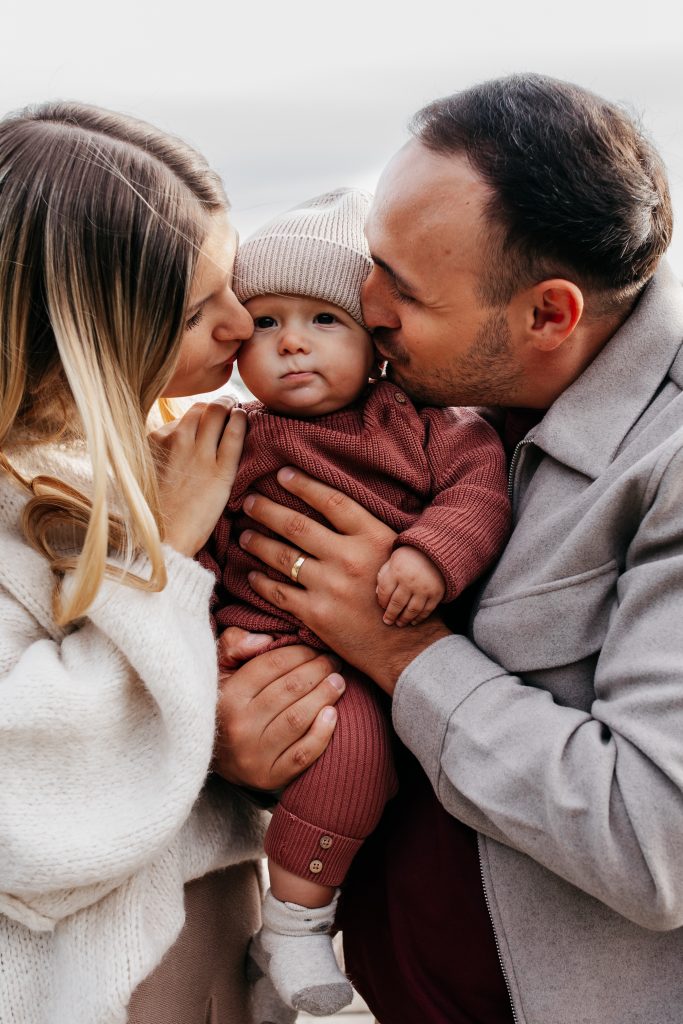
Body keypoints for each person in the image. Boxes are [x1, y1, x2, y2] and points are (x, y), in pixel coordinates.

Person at [228, 74, 683, 1023]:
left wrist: (396, 646)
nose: (366, 305)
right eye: (373, 261)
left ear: (548, 315)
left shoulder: (666, 465)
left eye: (405, 288)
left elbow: (655, 844)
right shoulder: (429, 401)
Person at [0, 100, 345, 1024]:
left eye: (231, 286)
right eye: (199, 310)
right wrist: (170, 551)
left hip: (211, 963)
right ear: (83, 327)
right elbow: (20, 787)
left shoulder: (171, 445)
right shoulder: (22, 495)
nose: (242, 325)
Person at [199, 187, 510, 1021]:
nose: (291, 342)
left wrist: (429, 555)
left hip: (388, 641)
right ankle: (296, 924)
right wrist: (205, 647)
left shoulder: (422, 423)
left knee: (374, 767)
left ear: (374, 344)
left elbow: (476, 496)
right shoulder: (232, 436)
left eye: (322, 320)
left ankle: (288, 936)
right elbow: (188, 541)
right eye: (264, 322)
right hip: (277, 653)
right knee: (352, 749)